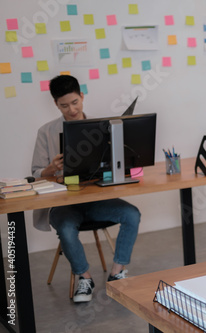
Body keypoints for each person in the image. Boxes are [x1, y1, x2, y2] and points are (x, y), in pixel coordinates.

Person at [31, 75, 141, 303]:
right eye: (64, 105)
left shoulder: (101, 128)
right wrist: (51, 167)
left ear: (82, 97)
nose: (71, 109)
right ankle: (84, 277)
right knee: (66, 228)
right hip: (64, 203)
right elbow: (35, 173)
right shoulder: (46, 132)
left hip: (96, 200)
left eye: (74, 102)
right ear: (56, 104)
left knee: (131, 214)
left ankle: (116, 273)